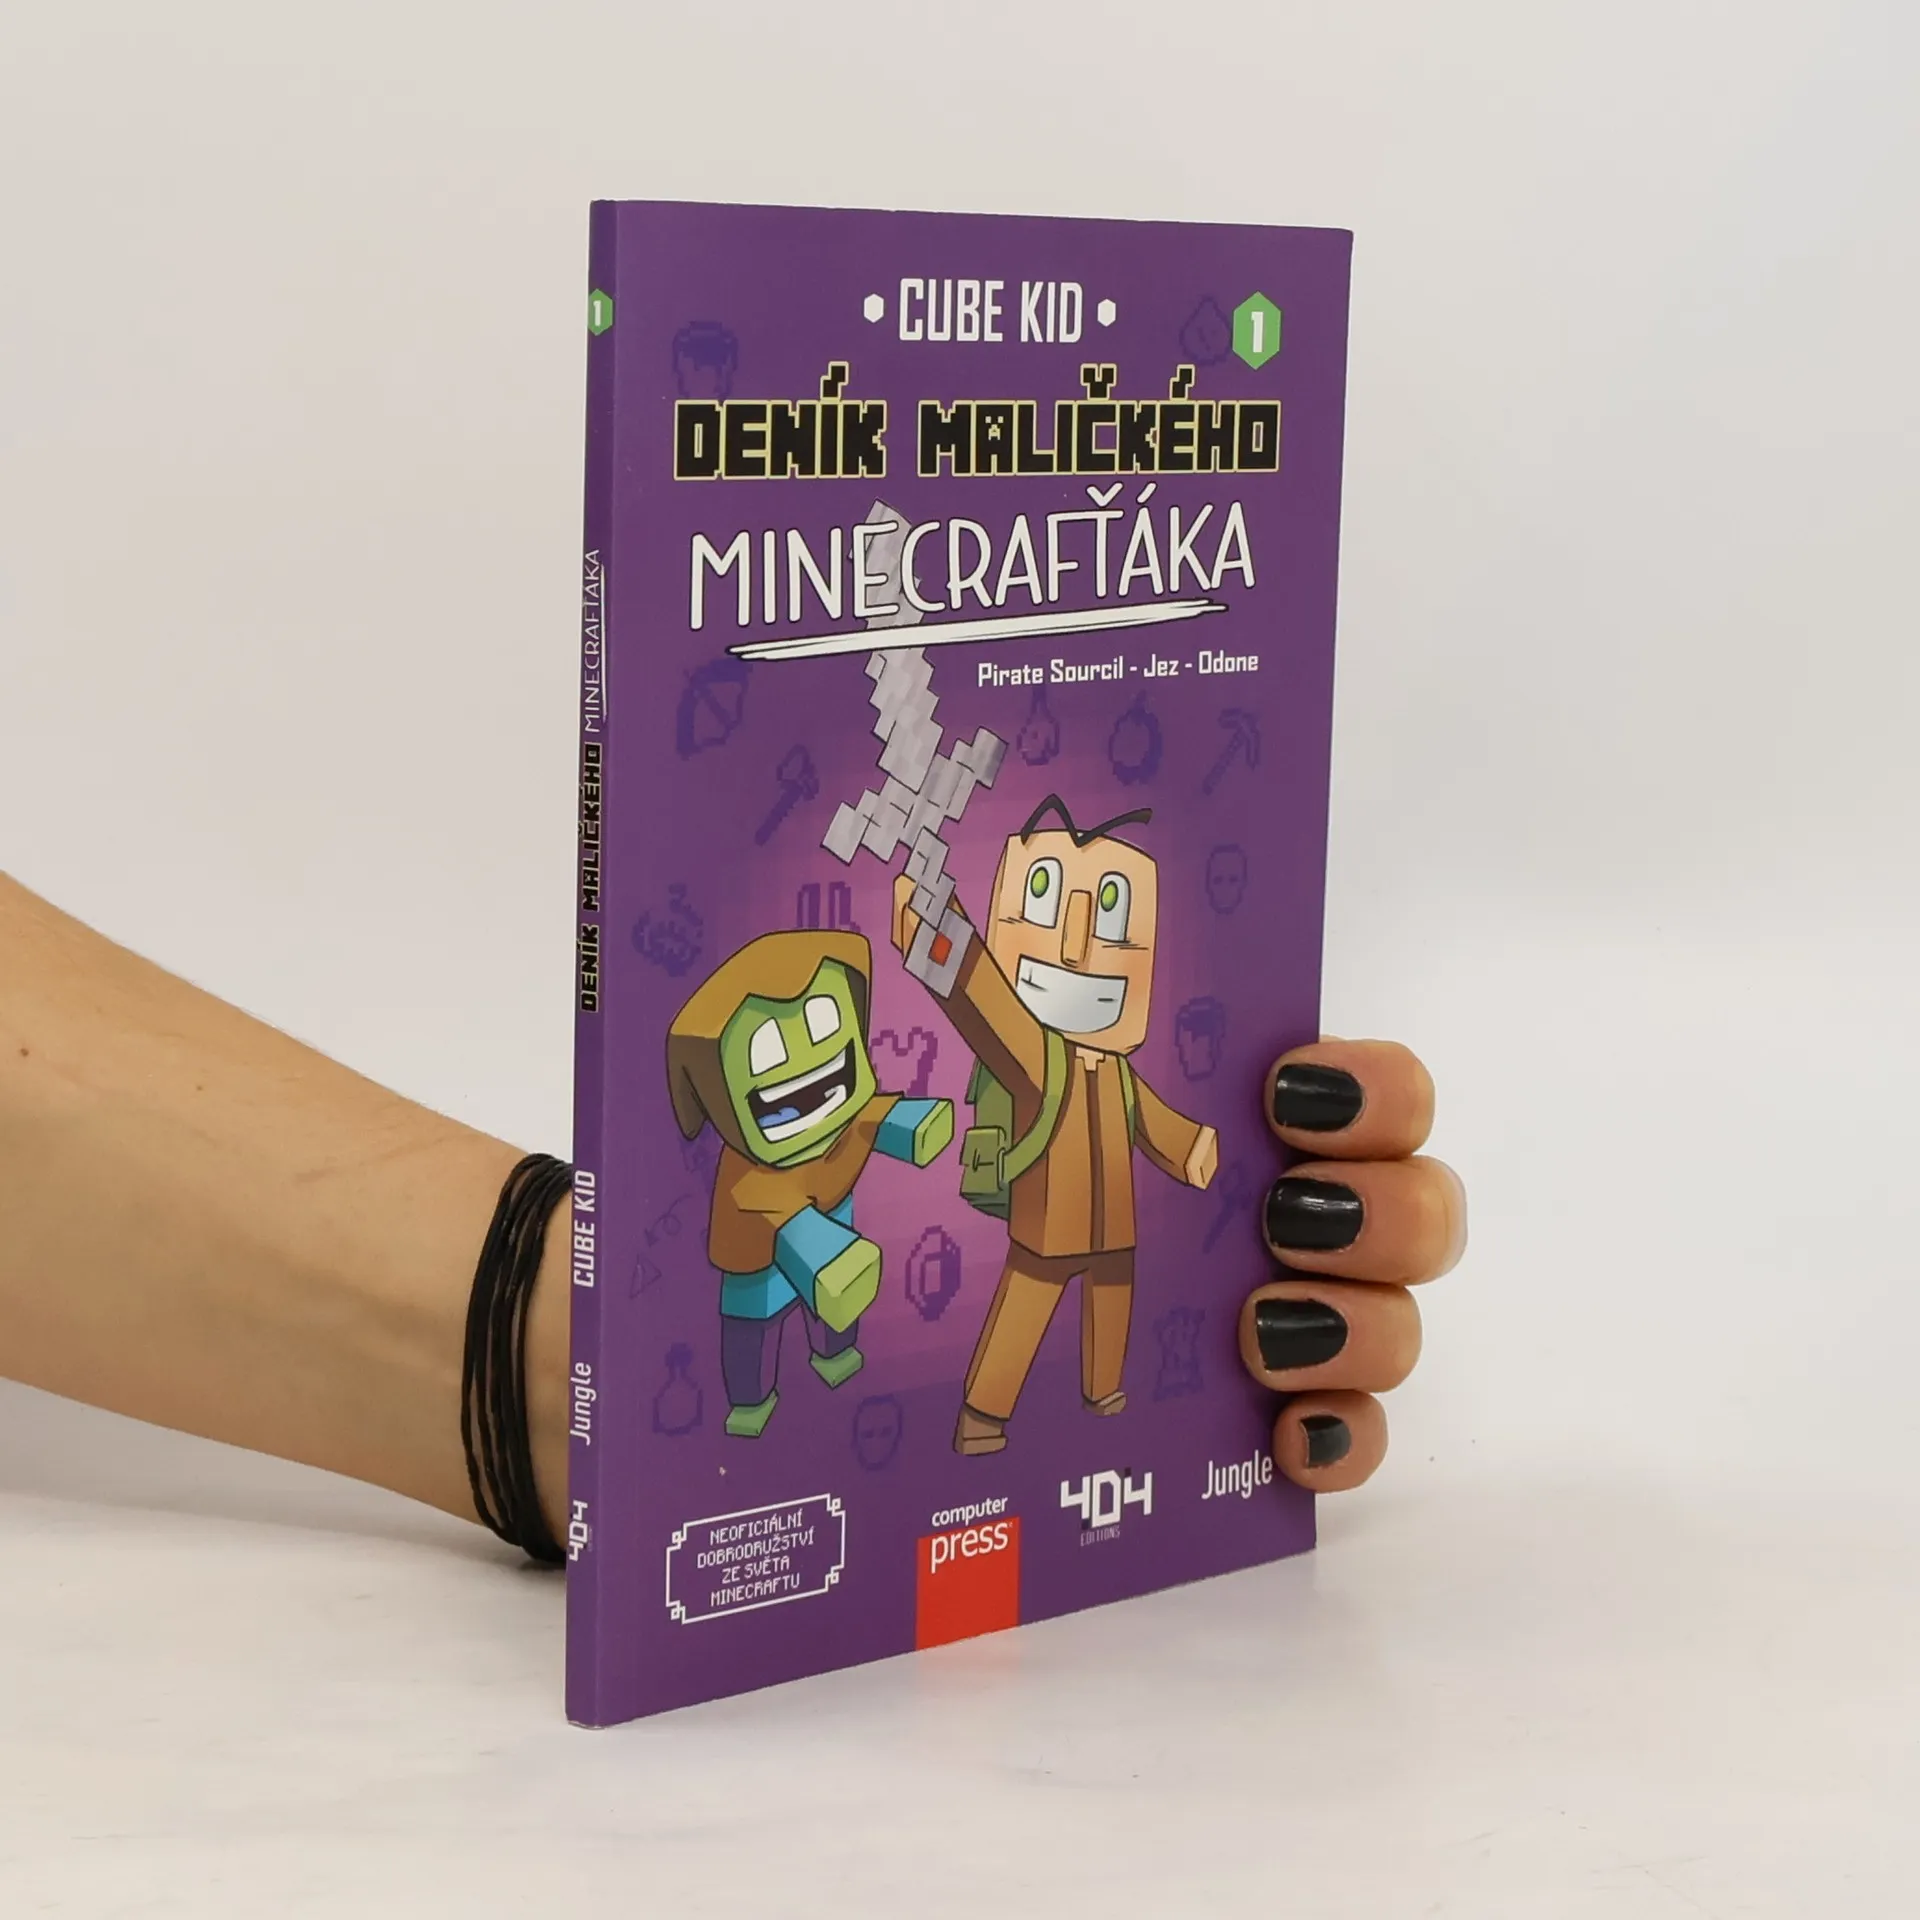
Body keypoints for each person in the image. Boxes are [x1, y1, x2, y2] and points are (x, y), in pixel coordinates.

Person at [0, 867, 1463, 1552]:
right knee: (838, 1313)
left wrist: (1206, 1166)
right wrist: (567, 1360)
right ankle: (946, 1409)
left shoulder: (1090, 1076)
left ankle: (1070, 1408)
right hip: (848, 1256)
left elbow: (1104, 1118)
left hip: (1112, 1252)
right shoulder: (798, 1143)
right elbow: (967, 1038)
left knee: (1095, 1328)